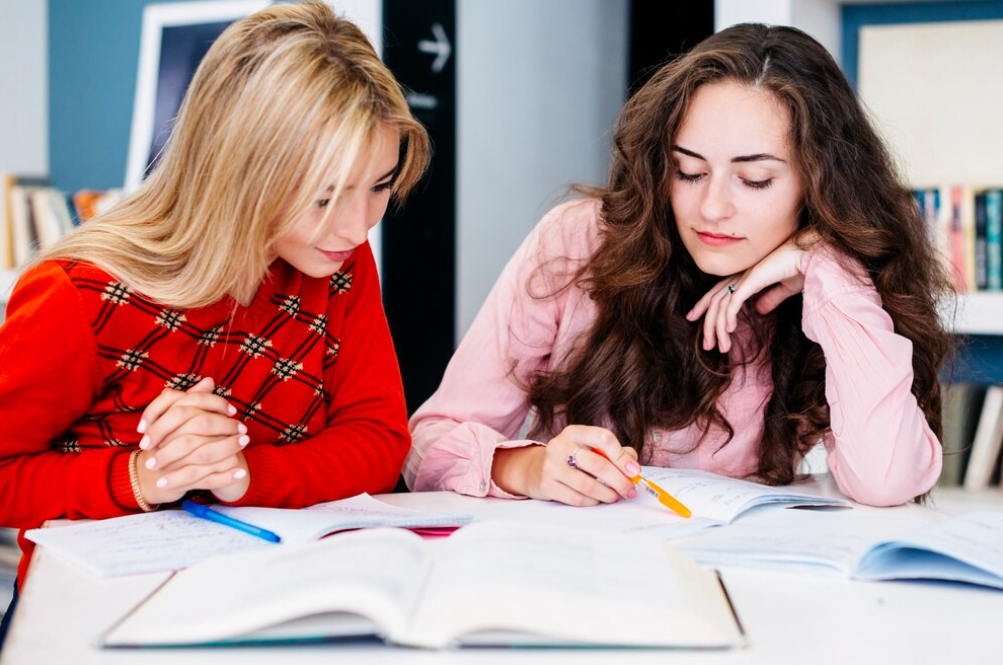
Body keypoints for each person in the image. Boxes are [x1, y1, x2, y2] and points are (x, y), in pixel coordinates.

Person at [405, 23, 951, 509]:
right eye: (688, 172)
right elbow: (431, 441)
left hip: (739, 590)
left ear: (819, 182)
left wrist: (825, 266)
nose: (711, 208)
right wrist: (527, 467)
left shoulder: (836, 284)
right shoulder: (578, 242)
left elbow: (885, 480)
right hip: (580, 578)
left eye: (754, 180)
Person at [0, 0, 429, 614]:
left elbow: (379, 440)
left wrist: (245, 476)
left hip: (275, 589)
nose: (358, 227)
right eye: (325, 197)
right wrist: (142, 477)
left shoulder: (337, 263)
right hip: (96, 610)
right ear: (239, 174)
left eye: (381, 185)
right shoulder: (76, 293)